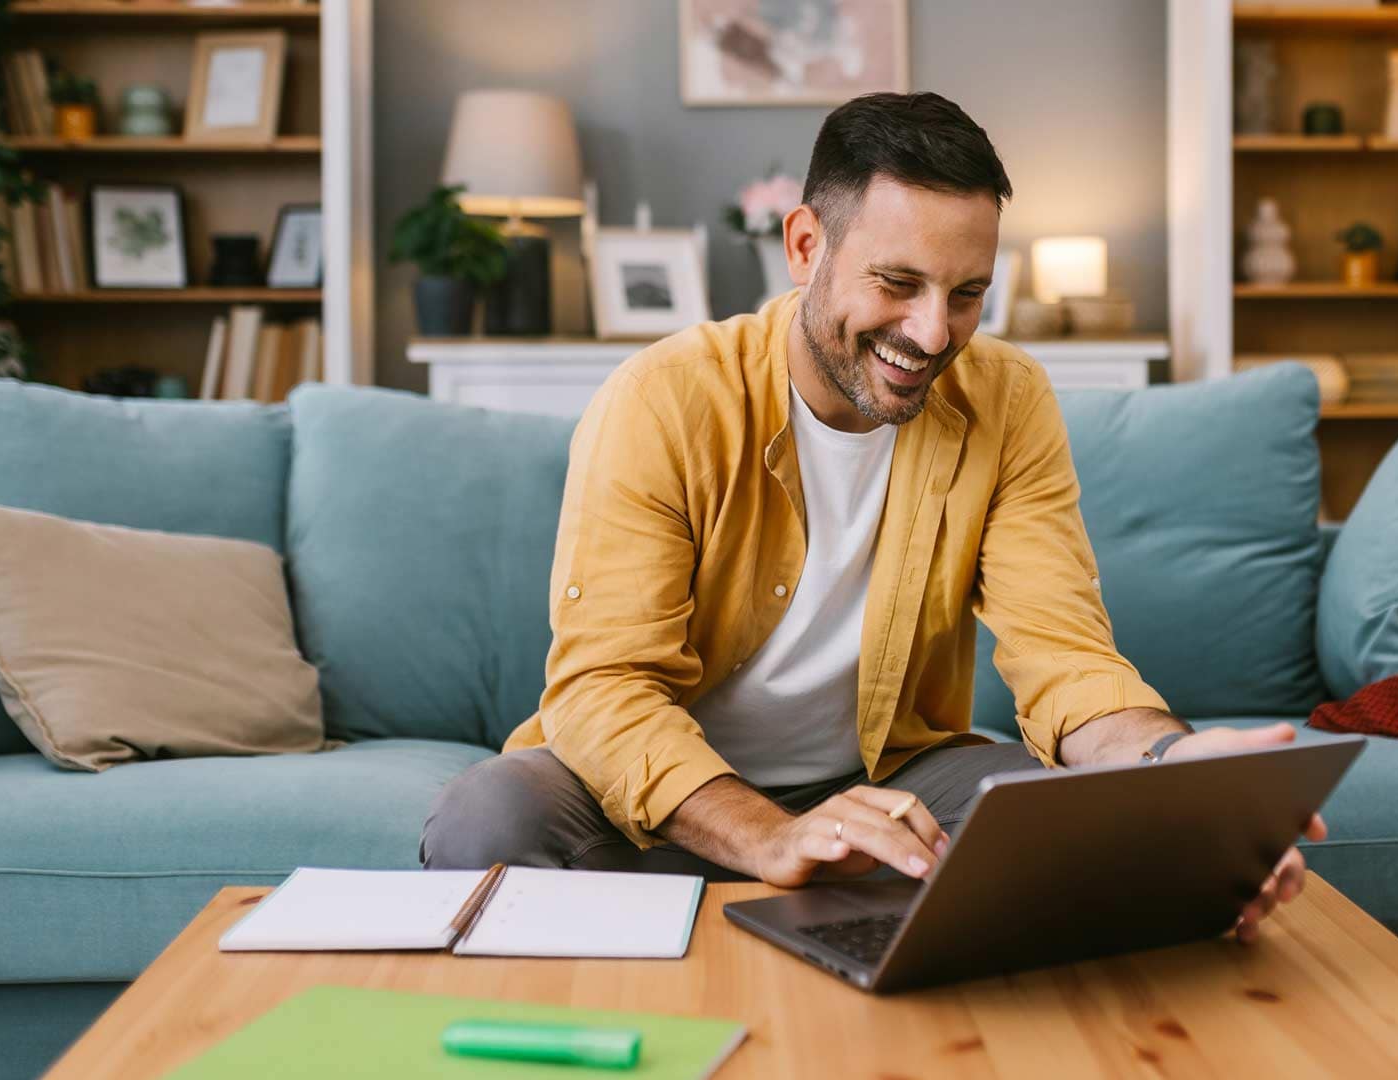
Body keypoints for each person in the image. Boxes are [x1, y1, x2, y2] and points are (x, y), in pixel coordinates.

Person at [421, 91, 1326, 942]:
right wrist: (775, 837)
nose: (933, 334)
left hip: (887, 781)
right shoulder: (663, 400)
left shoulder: (1007, 401)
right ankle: (799, 890)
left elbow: (1066, 658)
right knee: (487, 816)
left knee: (1097, 824)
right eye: (898, 282)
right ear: (807, 245)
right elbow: (603, 689)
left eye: (967, 294)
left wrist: (1178, 777)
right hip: (668, 799)